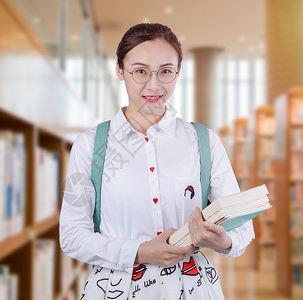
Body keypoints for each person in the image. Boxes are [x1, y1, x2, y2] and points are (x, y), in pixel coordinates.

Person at [59, 23, 254, 299]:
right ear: (119, 70)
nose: (154, 85)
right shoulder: (90, 145)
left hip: (193, 289)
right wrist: (138, 252)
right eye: (140, 71)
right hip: (116, 289)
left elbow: (242, 227)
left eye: (166, 72)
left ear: (178, 73)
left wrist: (223, 240)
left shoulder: (204, 141)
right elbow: (71, 235)